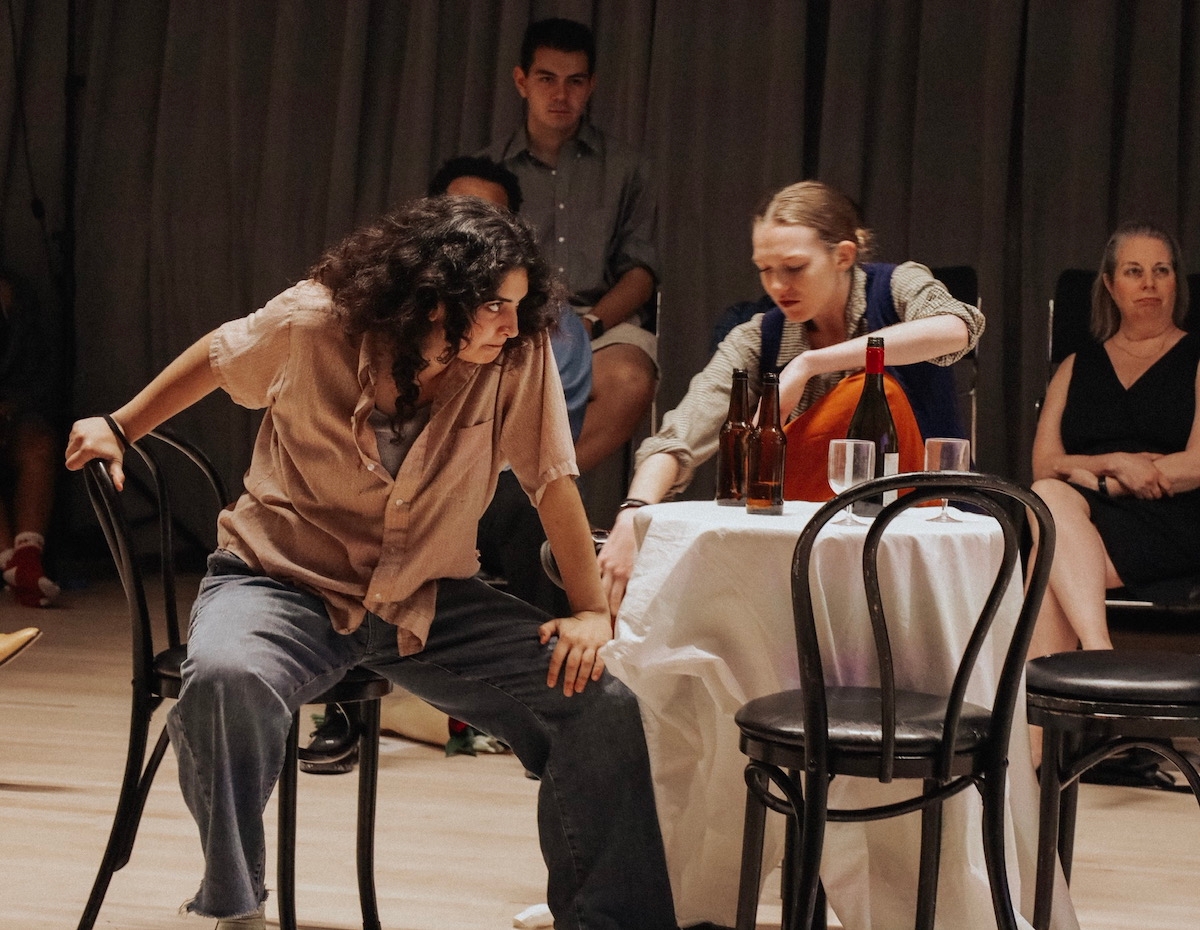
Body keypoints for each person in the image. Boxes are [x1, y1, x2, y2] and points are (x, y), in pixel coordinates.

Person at [65, 197, 675, 930]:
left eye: (518, 306)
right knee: (225, 680)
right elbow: (220, 358)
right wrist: (120, 426)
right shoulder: (315, 322)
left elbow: (551, 478)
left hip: (425, 594)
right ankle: (236, 907)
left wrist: (589, 613)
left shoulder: (515, 350)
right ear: (428, 300)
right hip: (282, 578)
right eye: (492, 306)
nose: (510, 325)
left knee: (602, 696)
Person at [302, 156, 593, 772]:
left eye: (494, 215)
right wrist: (121, 425)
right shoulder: (365, 312)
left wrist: (593, 613)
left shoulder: (526, 322)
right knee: (347, 538)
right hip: (374, 513)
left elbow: (549, 460)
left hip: (486, 486)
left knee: (527, 519)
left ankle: (534, 707)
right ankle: (343, 711)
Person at [597, 180, 985, 613]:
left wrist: (809, 364)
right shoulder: (760, 335)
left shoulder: (896, 285)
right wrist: (634, 512)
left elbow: (957, 327)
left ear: (843, 256)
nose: (778, 285)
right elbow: (684, 428)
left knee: (871, 391)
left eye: (794, 267)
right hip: (805, 538)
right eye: (765, 270)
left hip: (920, 526)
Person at [482, 17, 659, 476]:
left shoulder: (628, 168)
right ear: (522, 81)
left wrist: (590, 324)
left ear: (592, 85)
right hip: (510, 319)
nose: (561, 95)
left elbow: (641, 271)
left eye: (575, 81)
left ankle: (529, 489)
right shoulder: (486, 169)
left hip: (599, 321)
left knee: (631, 381)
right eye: (547, 79)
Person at [1027, 222, 1200, 659]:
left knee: (1045, 563)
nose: (1148, 283)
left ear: (1176, 282)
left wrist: (1098, 479)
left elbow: (1197, 464)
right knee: (1047, 498)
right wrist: (1115, 462)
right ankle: (1101, 654)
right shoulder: (1074, 366)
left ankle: (1046, 713)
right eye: (1133, 271)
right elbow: (1044, 465)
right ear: (1109, 284)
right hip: (1083, 516)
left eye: (1161, 270)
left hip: (1173, 519)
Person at [0, 268, 62, 608]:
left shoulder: (16, 297)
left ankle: (25, 558)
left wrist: (8, 410)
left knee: (39, 443)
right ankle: (12, 562)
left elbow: (38, 377)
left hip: (12, 415)